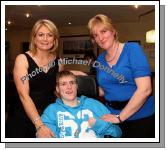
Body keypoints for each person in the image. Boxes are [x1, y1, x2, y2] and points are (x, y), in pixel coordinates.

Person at [5, 19, 85, 138]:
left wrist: (73, 73)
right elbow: (24, 95)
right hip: (23, 117)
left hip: (48, 116)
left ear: (54, 39)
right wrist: (39, 125)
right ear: (34, 38)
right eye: (41, 34)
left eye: (49, 35)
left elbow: (54, 84)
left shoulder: (59, 62)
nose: (45, 39)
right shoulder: (22, 59)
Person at [87, 14, 155, 138]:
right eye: (96, 35)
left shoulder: (132, 49)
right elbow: (103, 90)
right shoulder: (100, 60)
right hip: (112, 116)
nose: (100, 38)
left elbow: (145, 89)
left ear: (113, 31)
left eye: (103, 31)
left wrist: (120, 117)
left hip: (141, 116)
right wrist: (80, 82)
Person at [38, 71, 122, 138]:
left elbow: (117, 133)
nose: (69, 87)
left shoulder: (94, 104)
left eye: (72, 83)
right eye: (63, 84)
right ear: (57, 89)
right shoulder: (51, 110)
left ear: (77, 86)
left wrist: (98, 125)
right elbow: (43, 136)